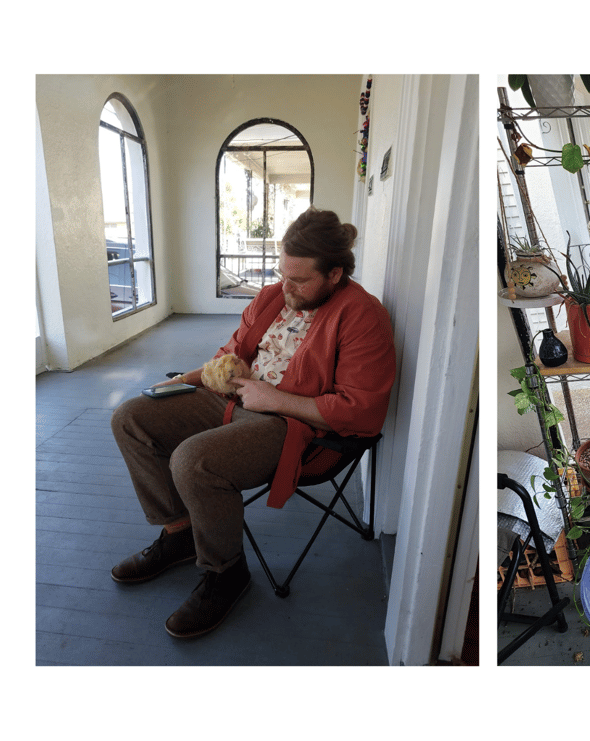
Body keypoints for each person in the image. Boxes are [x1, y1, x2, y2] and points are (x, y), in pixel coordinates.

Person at [110, 207, 396, 638]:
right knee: (131, 416)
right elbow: (231, 356)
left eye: (300, 280)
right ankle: (180, 532)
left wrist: (274, 398)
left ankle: (227, 573)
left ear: (335, 275)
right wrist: (182, 381)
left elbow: (360, 410)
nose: (288, 288)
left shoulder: (362, 316)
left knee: (194, 460)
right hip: (234, 402)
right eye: (284, 274)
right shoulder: (271, 298)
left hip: (297, 428)